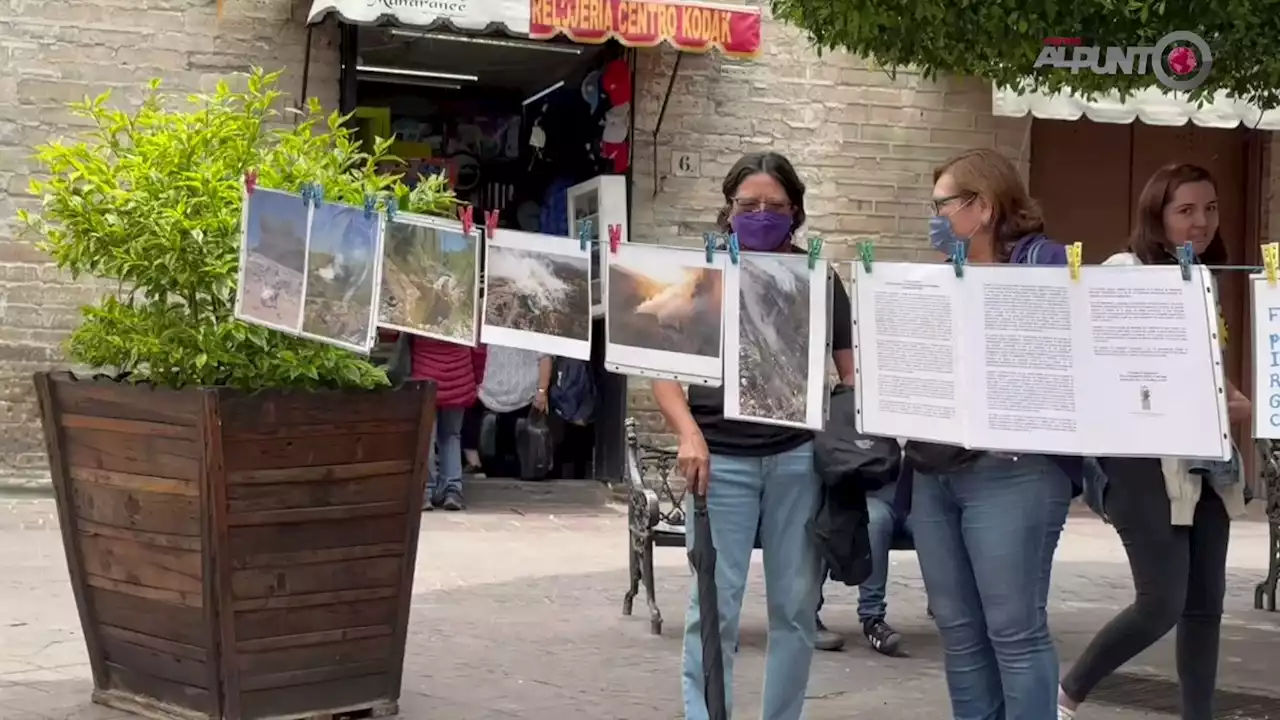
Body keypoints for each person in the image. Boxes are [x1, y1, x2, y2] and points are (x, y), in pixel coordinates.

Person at [652, 151, 854, 720]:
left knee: (794, 608)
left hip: (796, 459)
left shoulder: (817, 277)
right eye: (749, 205)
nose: (762, 214)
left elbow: (849, 372)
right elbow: (663, 373)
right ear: (728, 208)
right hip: (718, 461)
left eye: (775, 205)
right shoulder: (701, 277)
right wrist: (688, 434)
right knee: (713, 606)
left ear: (796, 211)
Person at [1057, 163, 1252, 720]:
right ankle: (1068, 694)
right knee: (1161, 601)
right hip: (1141, 463)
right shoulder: (1126, 270)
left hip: (1204, 461)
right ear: (1157, 215)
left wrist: (1235, 399)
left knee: (1203, 609)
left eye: (1210, 208)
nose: (1202, 222)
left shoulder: (1203, 279)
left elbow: (1205, 369)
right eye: (1185, 210)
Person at [911, 148, 1077, 719]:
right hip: (936, 472)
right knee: (959, 632)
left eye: (942, 206)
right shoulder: (941, 276)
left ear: (981, 207)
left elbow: (1046, 358)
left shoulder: (1045, 263)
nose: (933, 219)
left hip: (1014, 472)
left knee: (1014, 631)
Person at [815, 479, 913, 655]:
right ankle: (872, 618)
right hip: (870, 490)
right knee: (873, 520)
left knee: (940, 527)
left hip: (921, 492)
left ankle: (954, 614)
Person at [410, 336, 487, 511]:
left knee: (426, 435)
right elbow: (479, 348)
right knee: (452, 435)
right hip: (458, 373)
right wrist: (476, 377)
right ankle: (452, 491)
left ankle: (425, 492)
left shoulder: (419, 308)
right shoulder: (468, 309)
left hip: (425, 372)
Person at [475, 345, 552, 478]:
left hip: (524, 397)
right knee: (490, 456)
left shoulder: (534, 325)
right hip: (488, 395)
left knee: (522, 461)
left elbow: (544, 356)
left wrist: (542, 390)